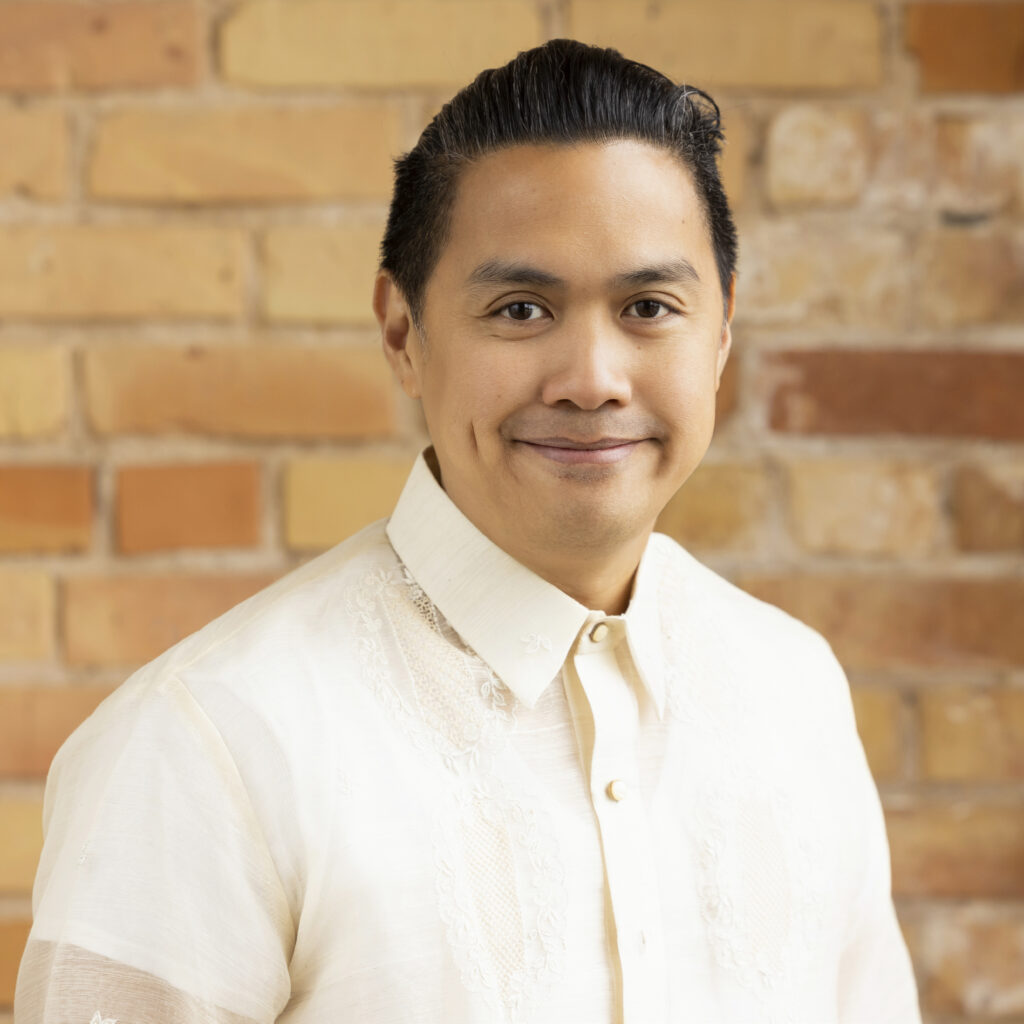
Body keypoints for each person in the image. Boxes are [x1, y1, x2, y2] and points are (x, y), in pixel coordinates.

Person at [15, 39, 920, 1024]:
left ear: (723, 332)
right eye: (520, 309)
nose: (591, 377)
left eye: (649, 307)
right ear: (403, 331)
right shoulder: (210, 742)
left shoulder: (791, 691)